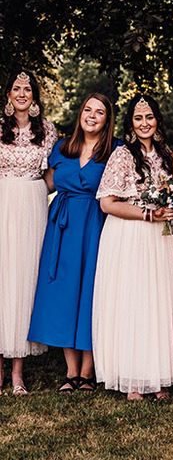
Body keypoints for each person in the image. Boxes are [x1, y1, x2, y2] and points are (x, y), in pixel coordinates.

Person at [92, 95, 173, 400]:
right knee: (132, 302)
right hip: (129, 235)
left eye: (149, 117)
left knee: (156, 302)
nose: (144, 123)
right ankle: (132, 378)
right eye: (138, 118)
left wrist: (168, 210)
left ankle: (157, 377)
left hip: (159, 239)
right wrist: (146, 214)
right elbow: (107, 203)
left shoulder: (166, 156)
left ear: (157, 120)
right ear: (131, 123)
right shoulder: (122, 155)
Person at [28, 93, 117, 392]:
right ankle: (71, 371)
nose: (92, 116)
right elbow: (46, 184)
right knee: (65, 293)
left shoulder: (115, 151)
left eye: (100, 112)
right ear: (81, 114)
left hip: (95, 225)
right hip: (62, 227)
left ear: (107, 119)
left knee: (91, 291)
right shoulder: (62, 148)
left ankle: (88, 372)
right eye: (88, 110)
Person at [0, 70, 57, 395]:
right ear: (8, 94)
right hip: (2, 201)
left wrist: (36, 192)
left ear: (34, 96)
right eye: (16, 88)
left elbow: (52, 172)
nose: (22, 93)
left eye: (28, 89)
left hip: (32, 206)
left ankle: (18, 370)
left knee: (24, 279)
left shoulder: (46, 130)